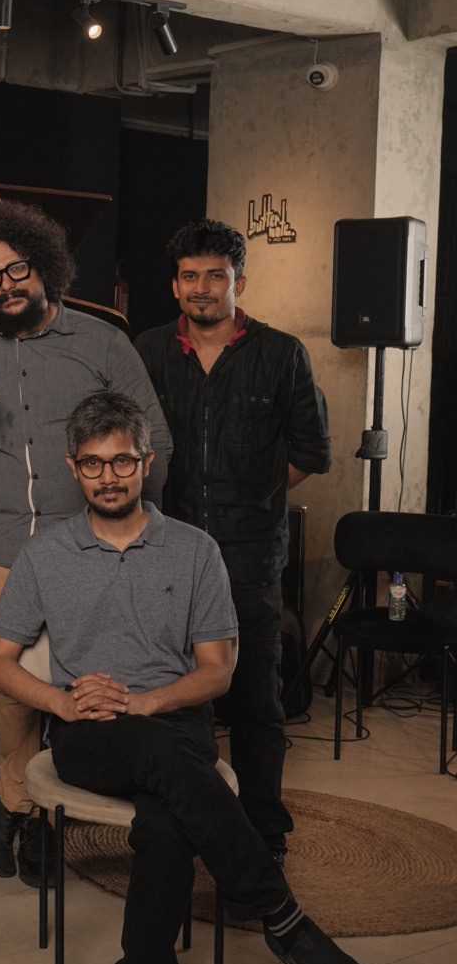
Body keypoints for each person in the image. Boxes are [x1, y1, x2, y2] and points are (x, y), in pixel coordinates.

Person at [0, 390, 376, 964]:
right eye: (93, 464)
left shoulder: (195, 551)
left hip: (172, 720)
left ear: (146, 462)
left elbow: (218, 671)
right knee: (162, 763)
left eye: (122, 461)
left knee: (166, 826)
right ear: (73, 468)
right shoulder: (45, 554)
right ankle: (281, 916)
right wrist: (62, 702)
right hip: (89, 730)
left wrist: (146, 701)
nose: (108, 477)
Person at [0, 199, 172, 886]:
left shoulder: (103, 342)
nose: (6, 285)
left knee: (83, 676)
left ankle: (27, 804)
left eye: (17, 269)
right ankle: (24, 807)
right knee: (21, 684)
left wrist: (138, 532)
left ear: (44, 266)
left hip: (89, 543)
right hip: (2, 539)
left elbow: (155, 440)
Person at [134, 219, 331, 862]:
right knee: (172, 691)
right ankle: (183, 817)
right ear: (174, 285)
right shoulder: (149, 351)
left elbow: (311, 452)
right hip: (167, 551)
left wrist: (254, 493)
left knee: (254, 699)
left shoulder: (282, 353)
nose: (202, 287)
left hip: (249, 555)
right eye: (189, 276)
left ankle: (263, 831)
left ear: (238, 282)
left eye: (215, 275)